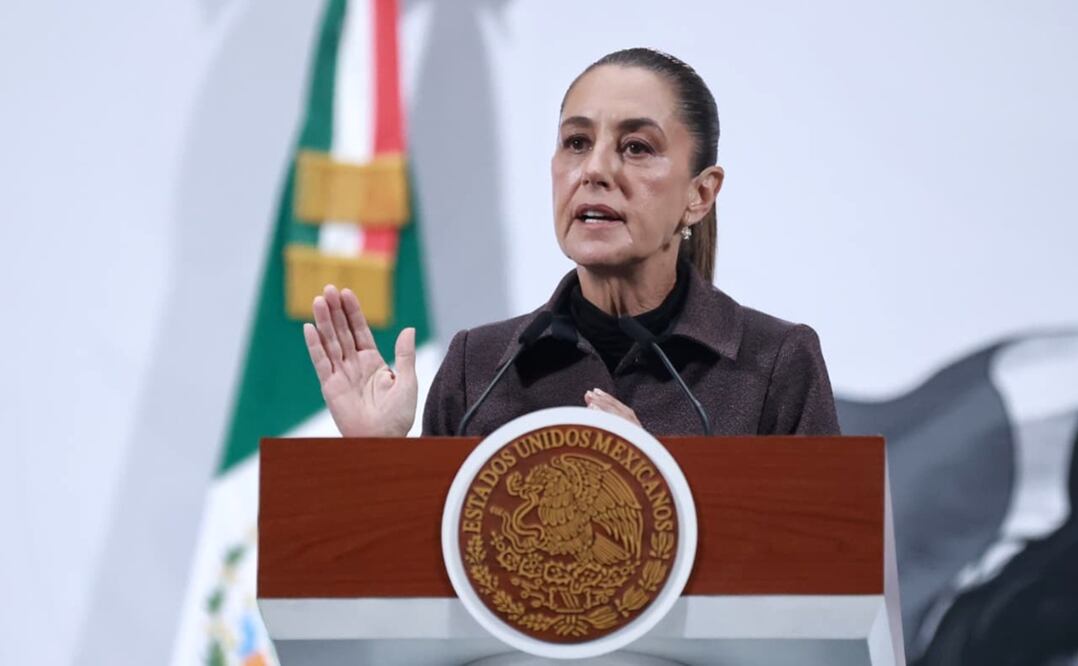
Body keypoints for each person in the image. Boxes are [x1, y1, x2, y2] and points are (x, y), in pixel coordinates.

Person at [302, 47, 840, 438]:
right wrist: (376, 457)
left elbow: (823, 577)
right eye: (577, 142)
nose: (596, 169)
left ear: (700, 194)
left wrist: (658, 485)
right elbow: (425, 580)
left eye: (636, 147)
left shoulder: (773, 366)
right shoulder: (480, 370)